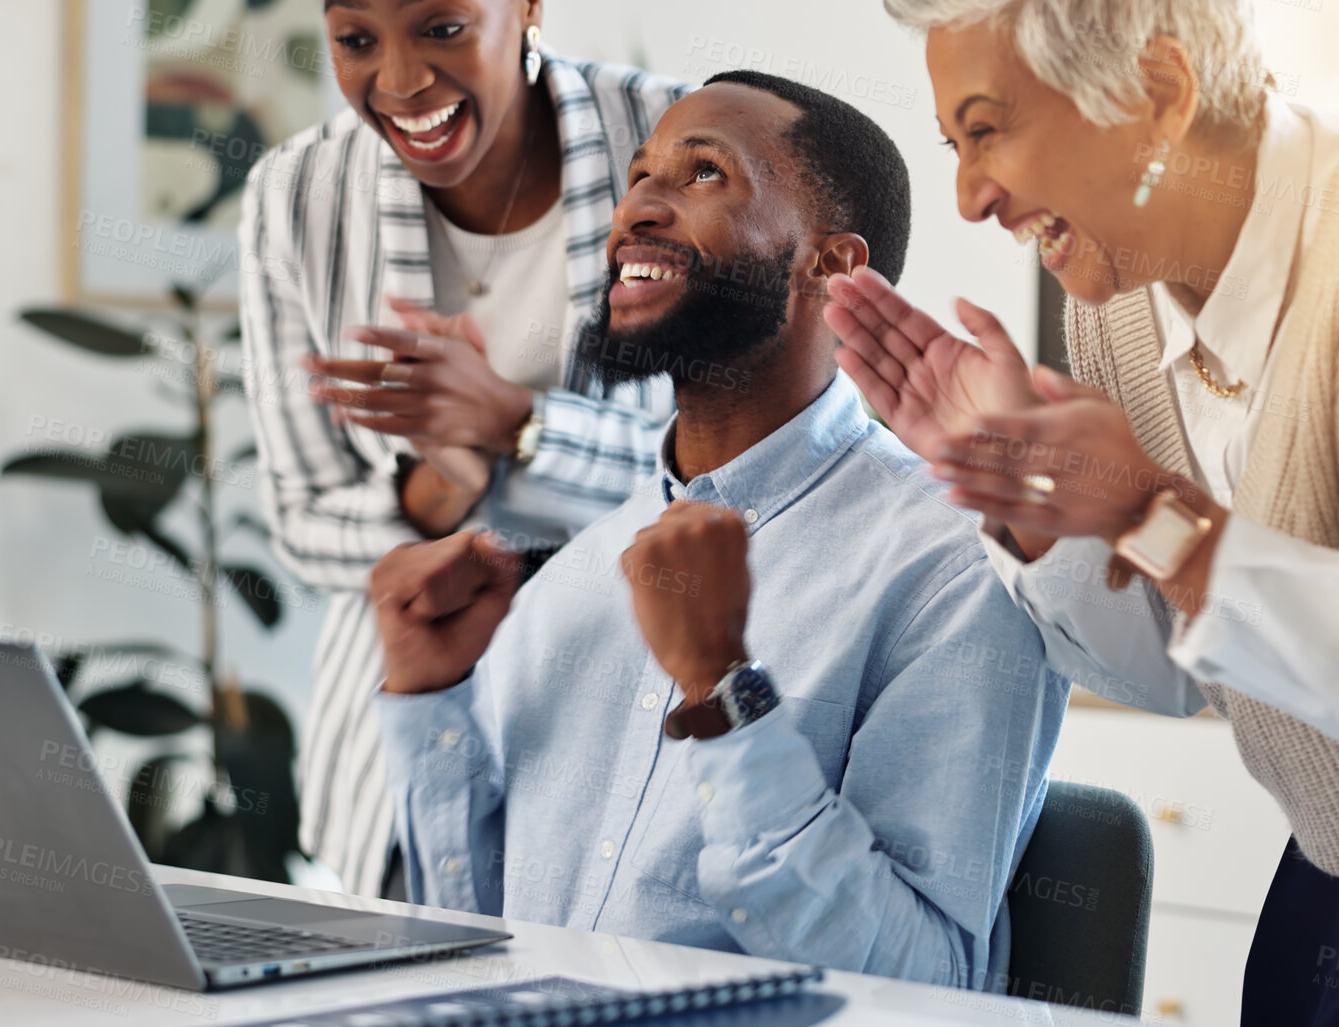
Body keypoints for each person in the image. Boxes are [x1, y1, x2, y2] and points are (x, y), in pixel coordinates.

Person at [831, 0, 1339, 1022]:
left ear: (1160, 95)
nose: (967, 196)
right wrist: (1042, 511)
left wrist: (1148, 512)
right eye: (953, 144)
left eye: (987, 128)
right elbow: (1178, 669)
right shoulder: (1120, 295)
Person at [365, 71, 1069, 990]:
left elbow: (922, 981)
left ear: (832, 266)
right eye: (638, 175)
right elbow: (472, 937)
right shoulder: (583, 565)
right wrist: (433, 696)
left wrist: (720, 691)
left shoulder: (953, 567)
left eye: (702, 175)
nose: (637, 211)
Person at [238, 0, 687, 897]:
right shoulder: (299, 194)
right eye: (355, 39)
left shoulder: (675, 142)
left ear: (527, 8)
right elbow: (300, 524)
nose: (399, 82)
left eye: (441, 27)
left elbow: (738, 471)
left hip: (646, 721)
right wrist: (446, 484)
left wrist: (516, 422)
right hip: (413, 737)